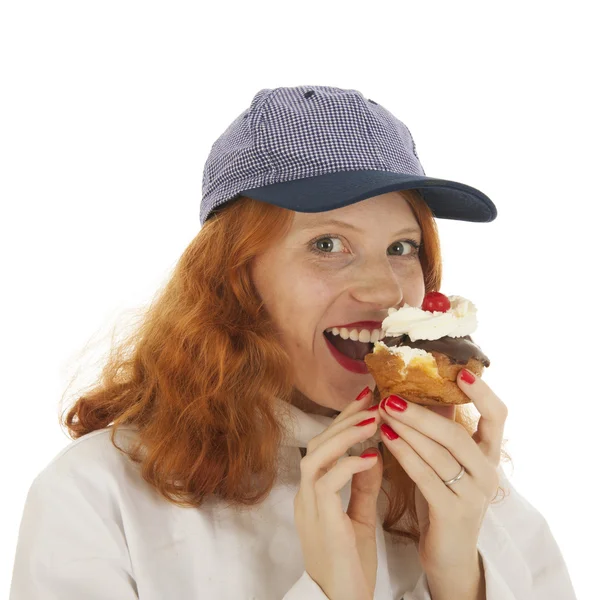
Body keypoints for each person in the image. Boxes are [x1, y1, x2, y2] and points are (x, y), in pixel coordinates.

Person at [9, 85, 577, 600]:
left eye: (403, 248)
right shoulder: (96, 496)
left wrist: (462, 581)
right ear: (233, 279)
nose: (386, 290)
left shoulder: (469, 494)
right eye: (328, 244)